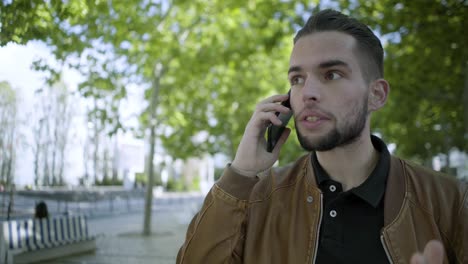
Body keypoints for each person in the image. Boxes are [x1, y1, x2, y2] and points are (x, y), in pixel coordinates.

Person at [177, 9, 467, 264]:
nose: (308, 93)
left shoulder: (449, 201)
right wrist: (240, 173)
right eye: (297, 79)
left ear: (376, 95)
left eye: (332, 75)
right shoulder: (257, 199)